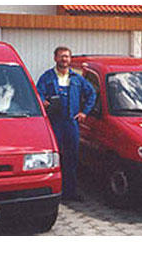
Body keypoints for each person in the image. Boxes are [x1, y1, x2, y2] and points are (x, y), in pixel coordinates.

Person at [36, 46, 96, 201]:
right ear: (55, 58)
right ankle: (53, 191)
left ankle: (70, 192)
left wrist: (84, 112)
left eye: (67, 57)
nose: (64, 59)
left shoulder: (77, 78)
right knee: (55, 158)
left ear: (70, 59)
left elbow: (91, 93)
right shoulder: (47, 77)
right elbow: (38, 93)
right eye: (61, 56)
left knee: (72, 158)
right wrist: (43, 101)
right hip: (54, 123)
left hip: (71, 123)